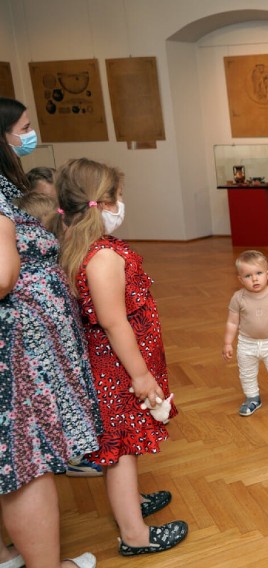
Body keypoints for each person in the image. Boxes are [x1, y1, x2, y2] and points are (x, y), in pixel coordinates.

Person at [55, 158, 188, 556]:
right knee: (121, 449)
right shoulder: (102, 258)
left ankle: (127, 502)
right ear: (101, 203)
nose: (121, 204)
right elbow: (114, 324)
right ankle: (135, 534)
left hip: (115, 367)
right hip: (118, 370)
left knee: (120, 446)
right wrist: (142, 376)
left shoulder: (92, 248)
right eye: (118, 197)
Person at [0, 97, 100, 567]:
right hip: (13, 348)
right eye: (23, 127)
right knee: (25, 457)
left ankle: (9, 552)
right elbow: (4, 275)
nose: (29, 133)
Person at [222, 249, 268, 417]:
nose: (254, 278)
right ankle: (252, 398)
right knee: (246, 374)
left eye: (258, 273)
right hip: (246, 344)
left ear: (267, 274)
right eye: (248, 276)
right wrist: (228, 343)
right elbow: (232, 322)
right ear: (240, 279)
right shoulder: (238, 298)